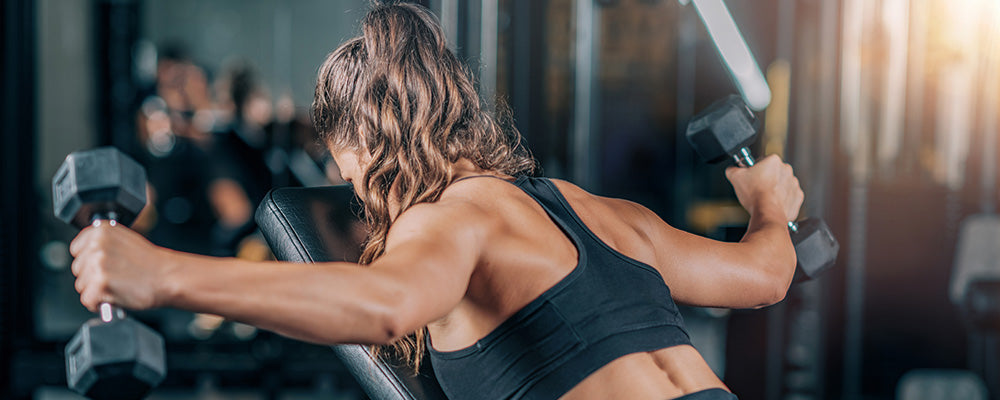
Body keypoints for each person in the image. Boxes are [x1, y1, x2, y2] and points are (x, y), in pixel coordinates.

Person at [69, 3, 803, 399]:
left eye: (344, 167)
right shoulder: (599, 210)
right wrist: (769, 203)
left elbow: (384, 304)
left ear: (366, 148)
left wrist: (159, 273)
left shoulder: (446, 221)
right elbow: (767, 275)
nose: (352, 191)